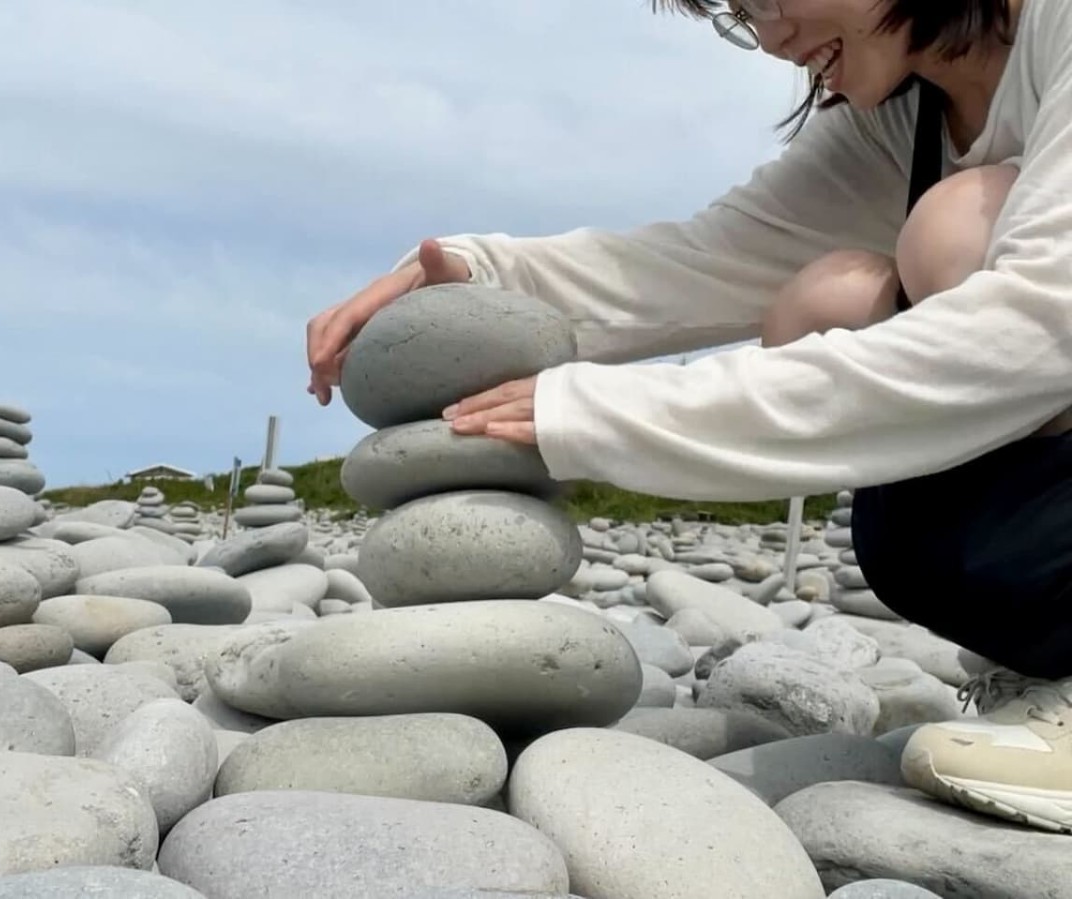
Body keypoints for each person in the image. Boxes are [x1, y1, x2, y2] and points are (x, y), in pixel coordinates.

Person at [306, 0, 1072, 834]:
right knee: (829, 303)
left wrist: (602, 419)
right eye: (741, 15)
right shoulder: (903, 114)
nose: (773, 37)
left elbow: (1034, 330)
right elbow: (706, 263)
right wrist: (477, 280)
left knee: (955, 231)